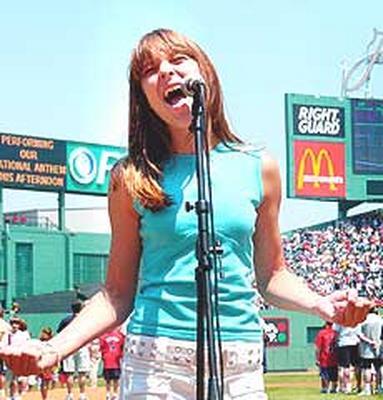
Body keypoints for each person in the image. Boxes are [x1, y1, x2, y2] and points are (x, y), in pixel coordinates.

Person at [0, 28, 373, 399]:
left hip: (239, 364)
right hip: (155, 365)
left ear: (205, 74)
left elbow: (272, 275)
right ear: (144, 98)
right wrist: (54, 348)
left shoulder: (260, 167)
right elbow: (116, 292)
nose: (165, 71)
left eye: (178, 59)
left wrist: (321, 304)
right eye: (150, 69)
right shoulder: (130, 177)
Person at [57, 300, 91, 400]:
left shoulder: (66, 320)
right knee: (82, 372)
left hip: (69, 346)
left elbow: (60, 333)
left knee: (69, 373)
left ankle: (70, 394)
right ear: (81, 308)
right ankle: (82, 394)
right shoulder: (85, 320)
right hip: (82, 346)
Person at [357, 307, 383, 396]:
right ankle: (379, 387)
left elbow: (359, 335)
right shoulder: (380, 320)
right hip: (378, 348)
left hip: (366, 349)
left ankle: (367, 388)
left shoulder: (363, 320)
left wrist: (369, 341)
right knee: (378, 368)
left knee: (366, 368)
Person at [99, 327, 125, 400]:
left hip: (109, 360)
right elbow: (123, 347)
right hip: (115, 360)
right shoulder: (120, 336)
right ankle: (114, 394)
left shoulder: (103, 336)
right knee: (115, 379)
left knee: (108, 380)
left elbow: (101, 348)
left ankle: (108, 394)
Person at [334, 323, 361, 394]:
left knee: (345, 366)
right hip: (355, 342)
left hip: (344, 342)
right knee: (356, 366)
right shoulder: (356, 317)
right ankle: (358, 385)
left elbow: (336, 332)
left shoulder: (340, 319)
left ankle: (347, 386)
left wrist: (335, 342)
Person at [314, 321, 338, 394]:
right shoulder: (336, 333)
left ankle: (325, 388)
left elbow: (318, 347)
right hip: (334, 357)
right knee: (334, 374)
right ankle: (333, 388)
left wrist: (317, 358)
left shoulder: (321, 333)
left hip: (324, 358)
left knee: (324, 374)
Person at [37, 327, 54, 400]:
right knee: (44, 381)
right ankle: (44, 398)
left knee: (46, 382)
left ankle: (45, 397)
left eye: (46, 333)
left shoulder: (51, 343)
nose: (44, 335)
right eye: (44, 333)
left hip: (48, 364)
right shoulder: (40, 343)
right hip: (43, 363)